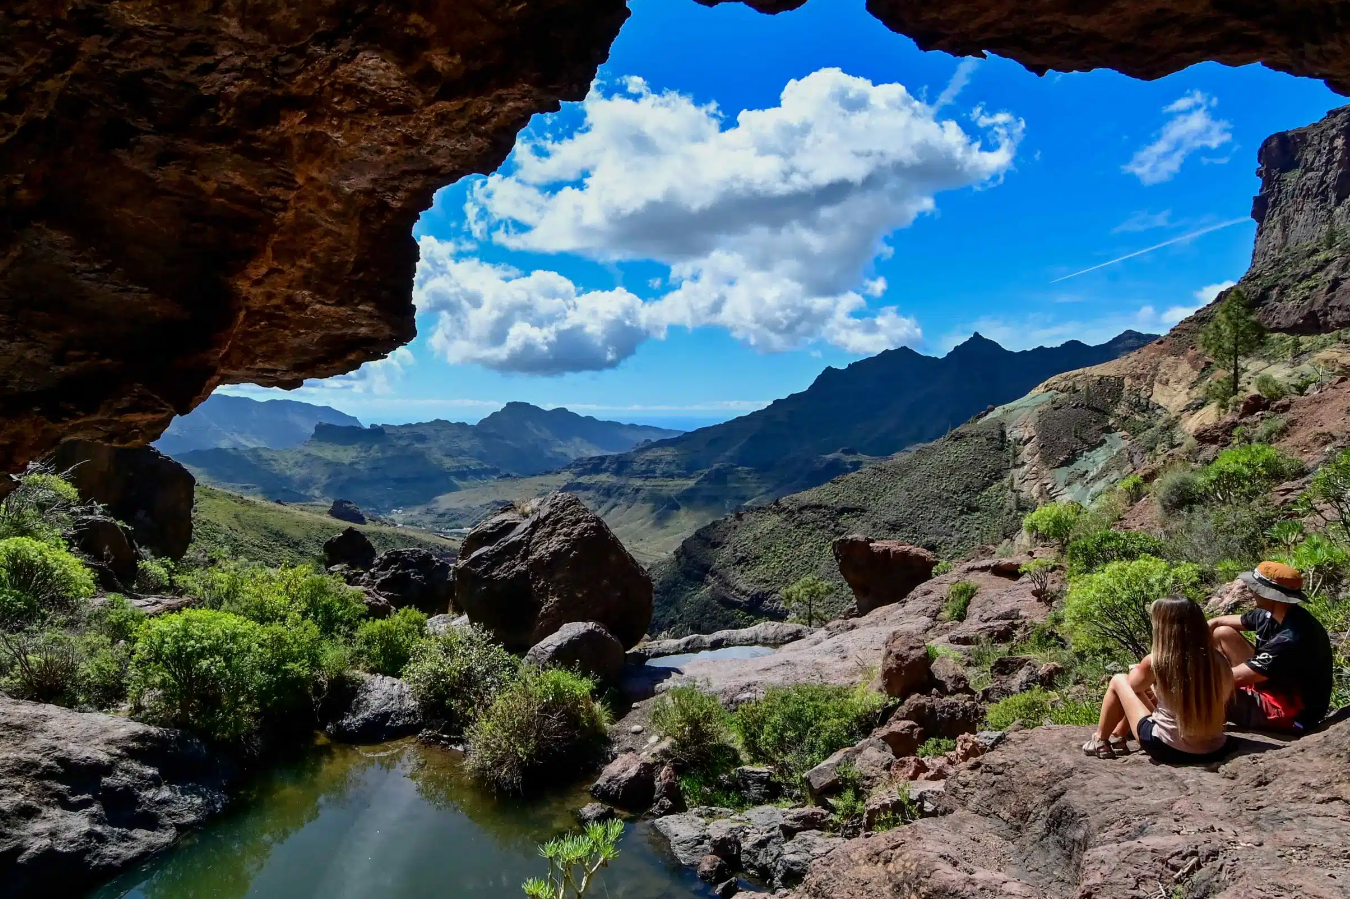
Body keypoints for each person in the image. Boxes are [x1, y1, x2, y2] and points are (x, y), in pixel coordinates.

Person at [1084, 595, 1234, 763]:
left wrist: (1138, 670)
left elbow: (1133, 688)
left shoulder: (1158, 660)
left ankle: (1100, 739)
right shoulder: (1219, 660)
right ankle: (1117, 736)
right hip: (1215, 748)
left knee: (1119, 680)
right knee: (1148, 691)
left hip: (1168, 747)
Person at [1208, 561, 1333, 734]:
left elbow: (1230, 679)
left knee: (1208, 693)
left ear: (1272, 595)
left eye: (1256, 588)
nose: (1251, 592)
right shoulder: (1272, 614)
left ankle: (1201, 734)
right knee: (1222, 633)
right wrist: (1211, 624)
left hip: (1289, 711)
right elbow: (1221, 622)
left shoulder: (1290, 638)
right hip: (1272, 685)